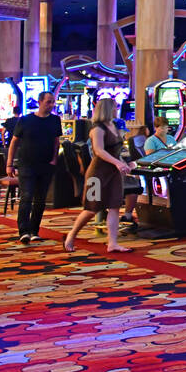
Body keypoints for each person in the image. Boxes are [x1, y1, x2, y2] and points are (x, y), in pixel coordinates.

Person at [64, 97, 134, 254]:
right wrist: (117, 163)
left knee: (115, 206)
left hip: (113, 174)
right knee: (91, 208)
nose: (117, 109)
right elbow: (99, 150)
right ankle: (72, 235)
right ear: (107, 109)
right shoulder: (97, 128)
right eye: (115, 107)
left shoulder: (114, 126)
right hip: (98, 173)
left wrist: (124, 163)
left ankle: (113, 243)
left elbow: (116, 150)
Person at [6, 90, 61, 243]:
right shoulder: (25, 120)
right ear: (40, 102)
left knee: (40, 199)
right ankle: (23, 230)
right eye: (48, 101)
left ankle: (34, 230)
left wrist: (54, 159)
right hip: (26, 163)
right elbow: (14, 142)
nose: (51, 104)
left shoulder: (55, 120)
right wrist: (9, 163)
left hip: (46, 164)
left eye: (53, 102)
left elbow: (56, 141)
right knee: (27, 196)